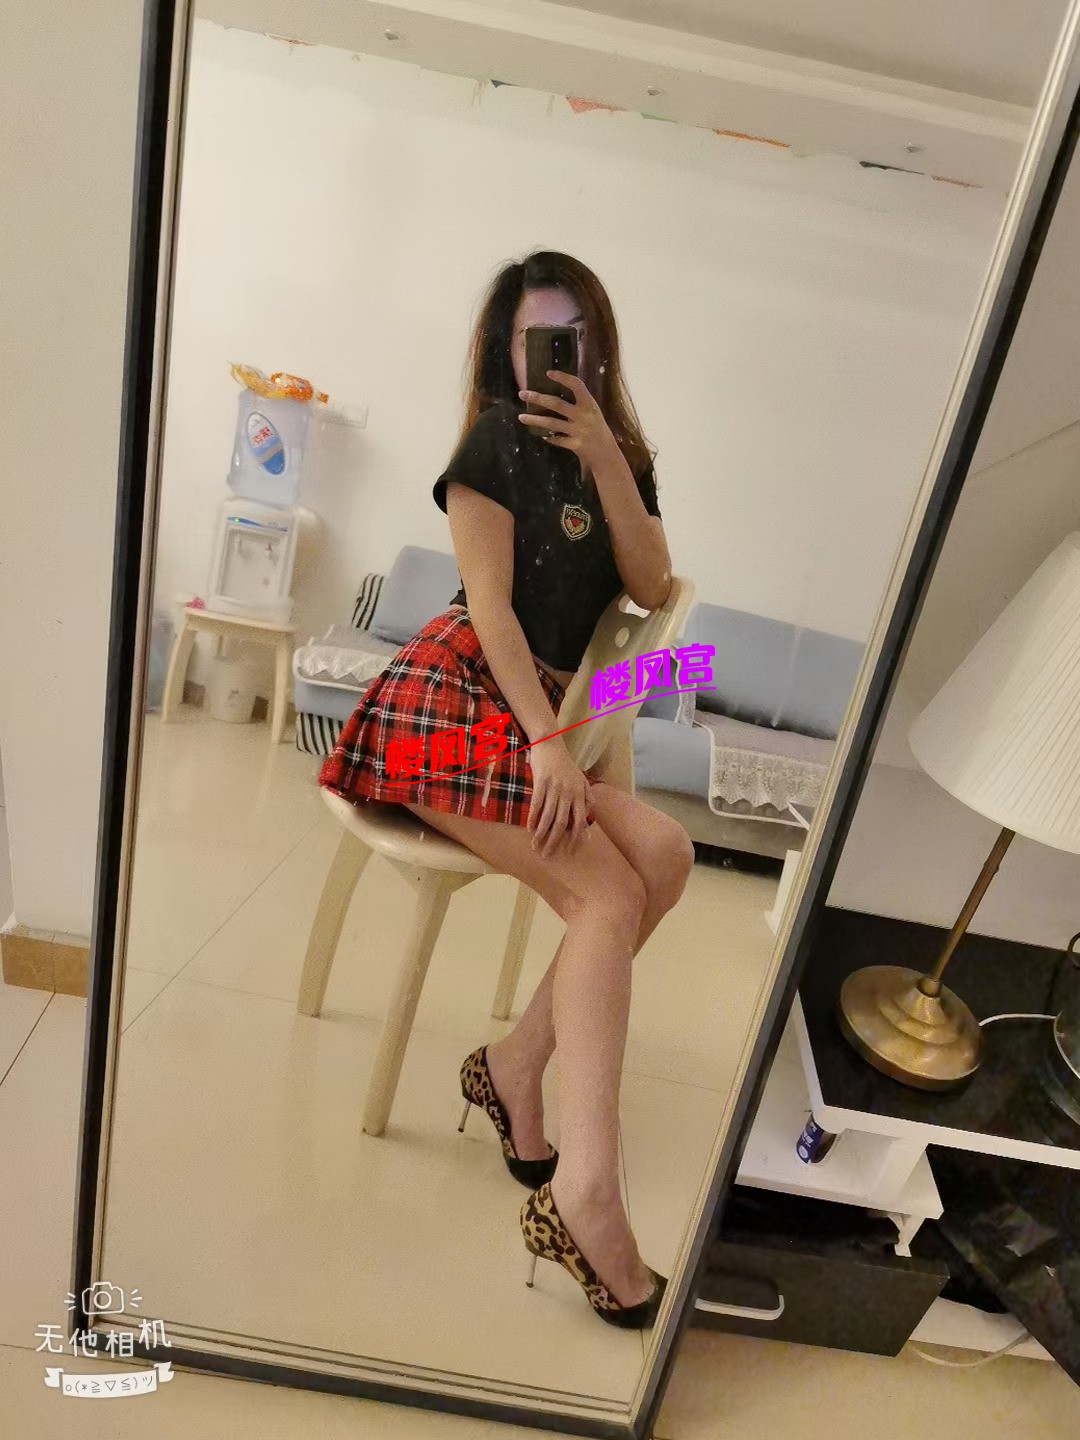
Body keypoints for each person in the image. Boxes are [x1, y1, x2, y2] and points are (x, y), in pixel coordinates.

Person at [320, 250, 694, 1328]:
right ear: (506, 350)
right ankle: (586, 1192)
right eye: (538, 340)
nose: (556, 359)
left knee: (665, 855)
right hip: (456, 695)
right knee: (609, 895)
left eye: (575, 337)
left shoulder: (621, 459)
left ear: (599, 346)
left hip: (547, 713)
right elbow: (488, 607)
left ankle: (514, 1066)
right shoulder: (490, 443)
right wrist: (544, 744)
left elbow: (653, 585)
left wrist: (609, 459)